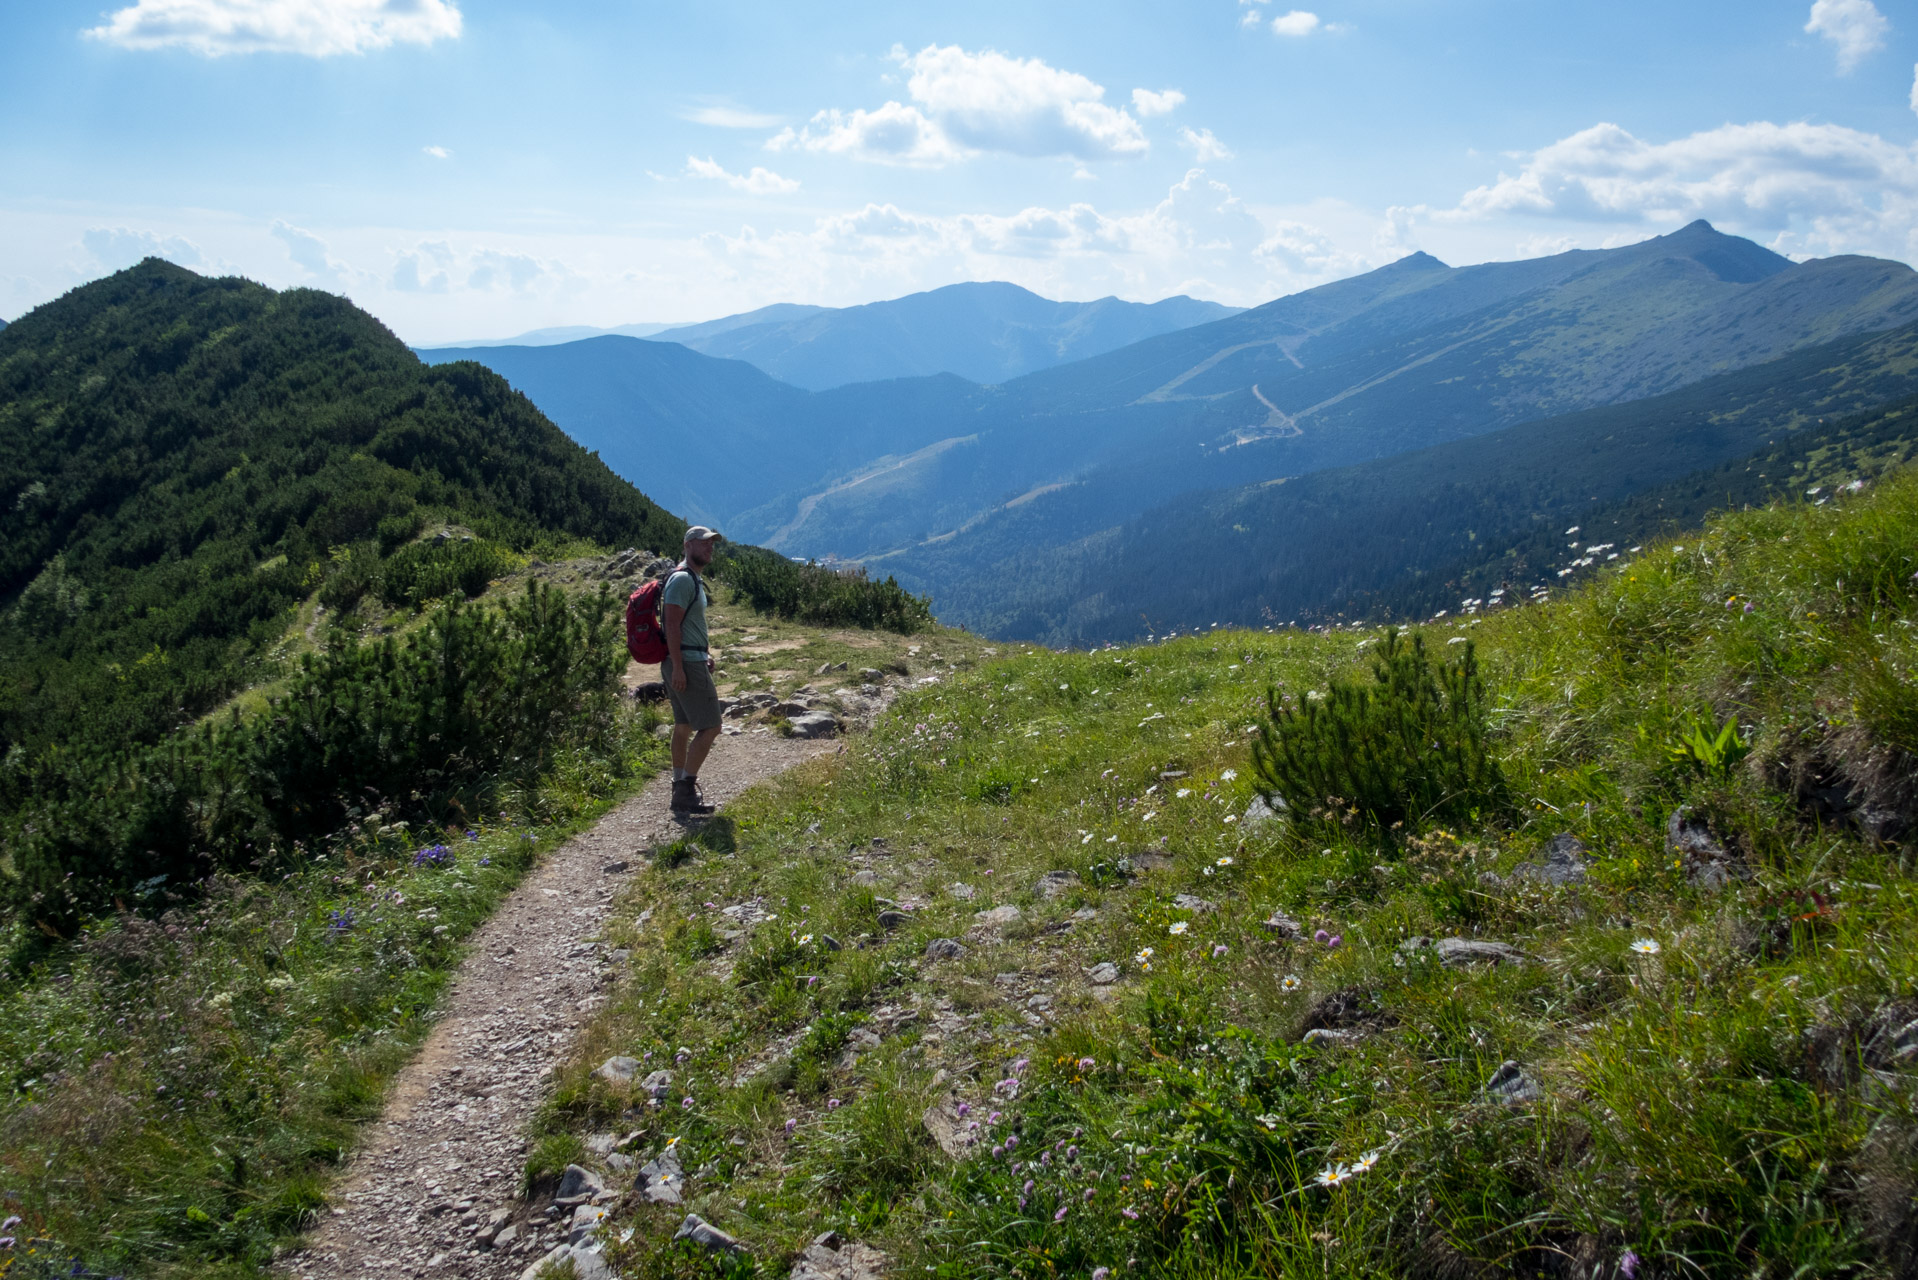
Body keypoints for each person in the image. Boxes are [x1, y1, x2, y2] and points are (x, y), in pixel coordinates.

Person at [661, 526, 723, 814]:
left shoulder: (691, 579)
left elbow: (686, 625)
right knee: (712, 726)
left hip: (688, 659)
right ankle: (684, 791)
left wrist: (703, 653)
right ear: (687, 545)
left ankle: (678, 788)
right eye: (704, 543)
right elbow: (671, 624)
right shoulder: (683, 580)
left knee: (684, 725)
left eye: (712, 543)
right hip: (685, 663)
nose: (709, 548)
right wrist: (680, 667)